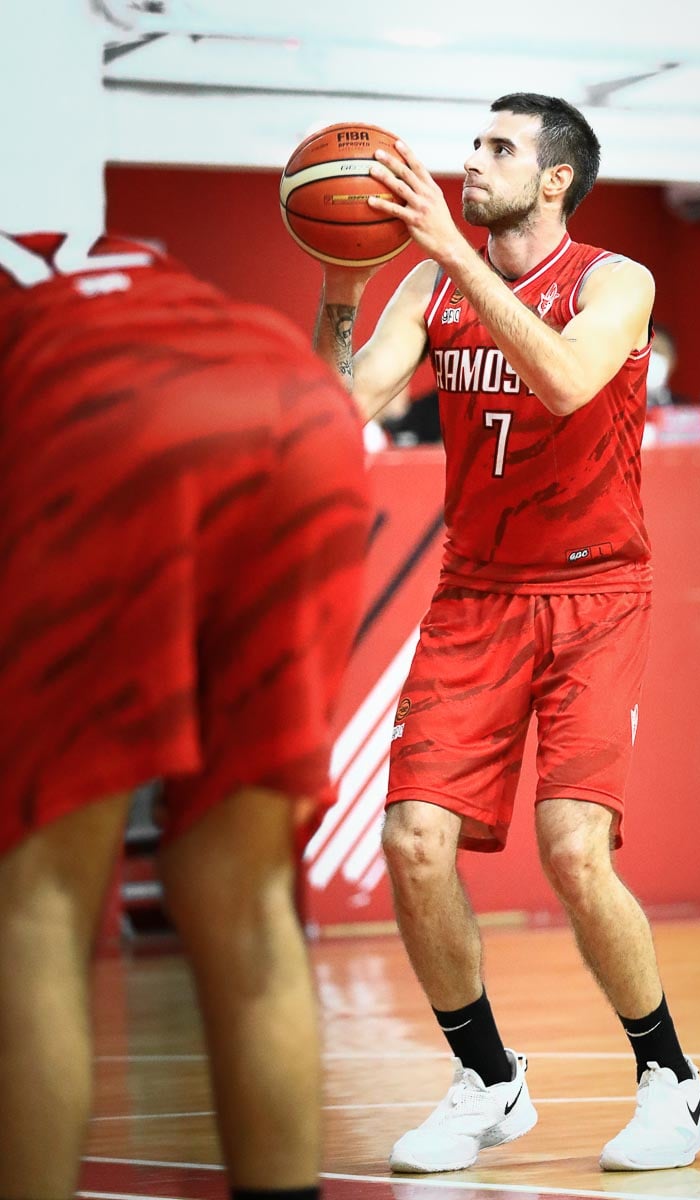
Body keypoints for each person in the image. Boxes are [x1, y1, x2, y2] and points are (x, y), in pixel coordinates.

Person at [0, 5, 371, 1200]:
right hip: (294, 407)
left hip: (109, 427)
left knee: (40, 895)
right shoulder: (92, 256)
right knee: (246, 894)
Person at [313, 92, 700, 1174]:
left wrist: (451, 250)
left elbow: (566, 377)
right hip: (476, 594)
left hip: (596, 597)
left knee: (574, 851)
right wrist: (340, 287)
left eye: (500, 148)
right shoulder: (428, 281)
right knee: (410, 842)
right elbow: (336, 409)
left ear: (555, 180)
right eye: (474, 142)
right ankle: (489, 1079)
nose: (472, 160)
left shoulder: (615, 280)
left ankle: (672, 1083)